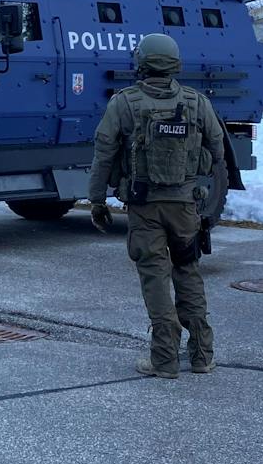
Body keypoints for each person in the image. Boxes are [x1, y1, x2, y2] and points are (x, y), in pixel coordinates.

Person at [87, 32, 227, 379]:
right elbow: (217, 149)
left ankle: (164, 359)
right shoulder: (197, 101)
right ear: (174, 63)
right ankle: (202, 355)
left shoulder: (124, 103)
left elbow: (103, 154)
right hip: (185, 206)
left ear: (141, 63)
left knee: (154, 278)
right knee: (188, 272)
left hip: (144, 204)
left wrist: (96, 200)